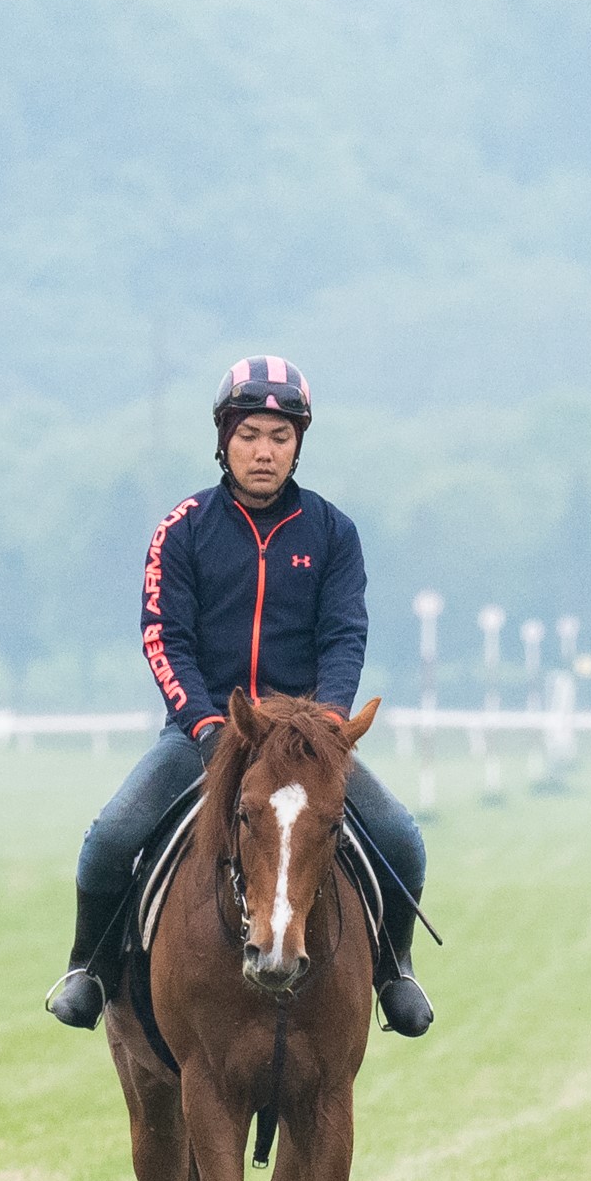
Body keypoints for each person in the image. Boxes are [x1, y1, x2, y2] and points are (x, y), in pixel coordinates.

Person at [46, 357, 434, 1038]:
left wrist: (329, 728)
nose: (263, 450)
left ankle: (394, 972)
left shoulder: (332, 533)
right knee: (107, 841)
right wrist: (202, 725)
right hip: (203, 733)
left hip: (303, 742)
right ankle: (90, 970)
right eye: (250, 433)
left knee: (402, 839)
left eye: (280, 437)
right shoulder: (183, 528)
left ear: (298, 446)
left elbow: (344, 636)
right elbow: (163, 637)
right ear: (224, 438)